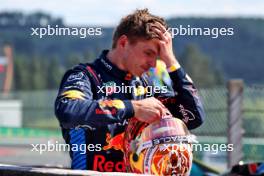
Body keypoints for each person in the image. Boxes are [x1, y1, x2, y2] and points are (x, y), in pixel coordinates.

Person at [55, 8, 205, 172]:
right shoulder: (86, 76)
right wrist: (132, 108)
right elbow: (68, 111)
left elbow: (193, 116)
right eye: (148, 53)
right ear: (123, 43)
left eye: (158, 56)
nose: (153, 64)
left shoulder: (147, 85)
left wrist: (171, 62)